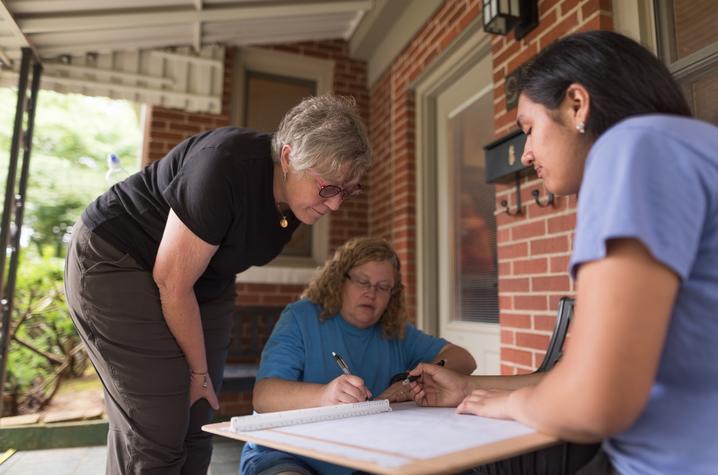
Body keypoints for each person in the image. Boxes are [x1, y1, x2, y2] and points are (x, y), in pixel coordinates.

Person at [408, 30, 718, 475]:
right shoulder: (689, 146)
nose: (527, 153)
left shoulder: (630, 147)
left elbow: (598, 397)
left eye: (529, 129)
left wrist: (513, 404)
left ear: (577, 104)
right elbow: (592, 372)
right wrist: (471, 387)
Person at [64, 95, 372, 474]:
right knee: (159, 427)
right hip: (119, 259)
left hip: (200, 281)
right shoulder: (224, 165)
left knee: (198, 422)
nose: (337, 205)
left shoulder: (294, 204)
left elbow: (212, 272)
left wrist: (201, 377)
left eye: (348, 190)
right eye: (329, 188)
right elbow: (172, 281)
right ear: (289, 157)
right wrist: (198, 371)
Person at [240, 237, 477, 475]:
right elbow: (264, 396)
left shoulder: (395, 331)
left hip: (364, 456)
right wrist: (324, 396)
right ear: (339, 279)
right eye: (362, 281)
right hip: (289, 452)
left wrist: (419, 378)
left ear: (392, 294)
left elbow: (464, 358)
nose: (371, 293)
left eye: (383, 287)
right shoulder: (300, 318)